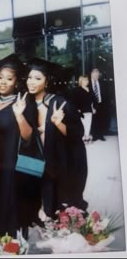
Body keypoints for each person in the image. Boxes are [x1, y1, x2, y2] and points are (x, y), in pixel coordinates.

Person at [26, 57, 88, 219]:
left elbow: (77, 133)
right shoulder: (26, 103)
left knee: (60, 207)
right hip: (37, 161)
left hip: (58, 161)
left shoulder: (59, 102)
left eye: (38, 78)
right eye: (30, 77)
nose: (31, 82)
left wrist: (58, 124)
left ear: (47, 82)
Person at [0, 53, 41, 238]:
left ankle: (15, 247)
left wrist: (18, 115)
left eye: (9, 79)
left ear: (17, 81)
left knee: (12, 211)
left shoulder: (24, 103)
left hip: (11, 168)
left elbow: (29, 137)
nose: (3, 82)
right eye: (0, 78)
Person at [71, 75, 96, 144]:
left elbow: (93, 100)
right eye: (84, 80)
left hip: (89, 109)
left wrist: (93, 107)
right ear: (81, 81)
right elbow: (74, 101)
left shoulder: (90, 89)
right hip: (81, 110)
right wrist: (77, 109)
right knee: (83, 125)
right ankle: (84, 138)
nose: (86, 82)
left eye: (87, 80)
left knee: (88, 124)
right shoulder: (76, 90)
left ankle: (87, 137)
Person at [89, 68, 107, 141]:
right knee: (93, 120)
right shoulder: (88, 84)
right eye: (94, 73)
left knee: (101, 120)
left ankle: (101, 135)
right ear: (91, 74)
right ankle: (94, 135)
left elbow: (106, 94)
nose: (96, 74)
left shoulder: (102, 83)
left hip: (101, 103)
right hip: (92, 104)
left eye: (97, 73)